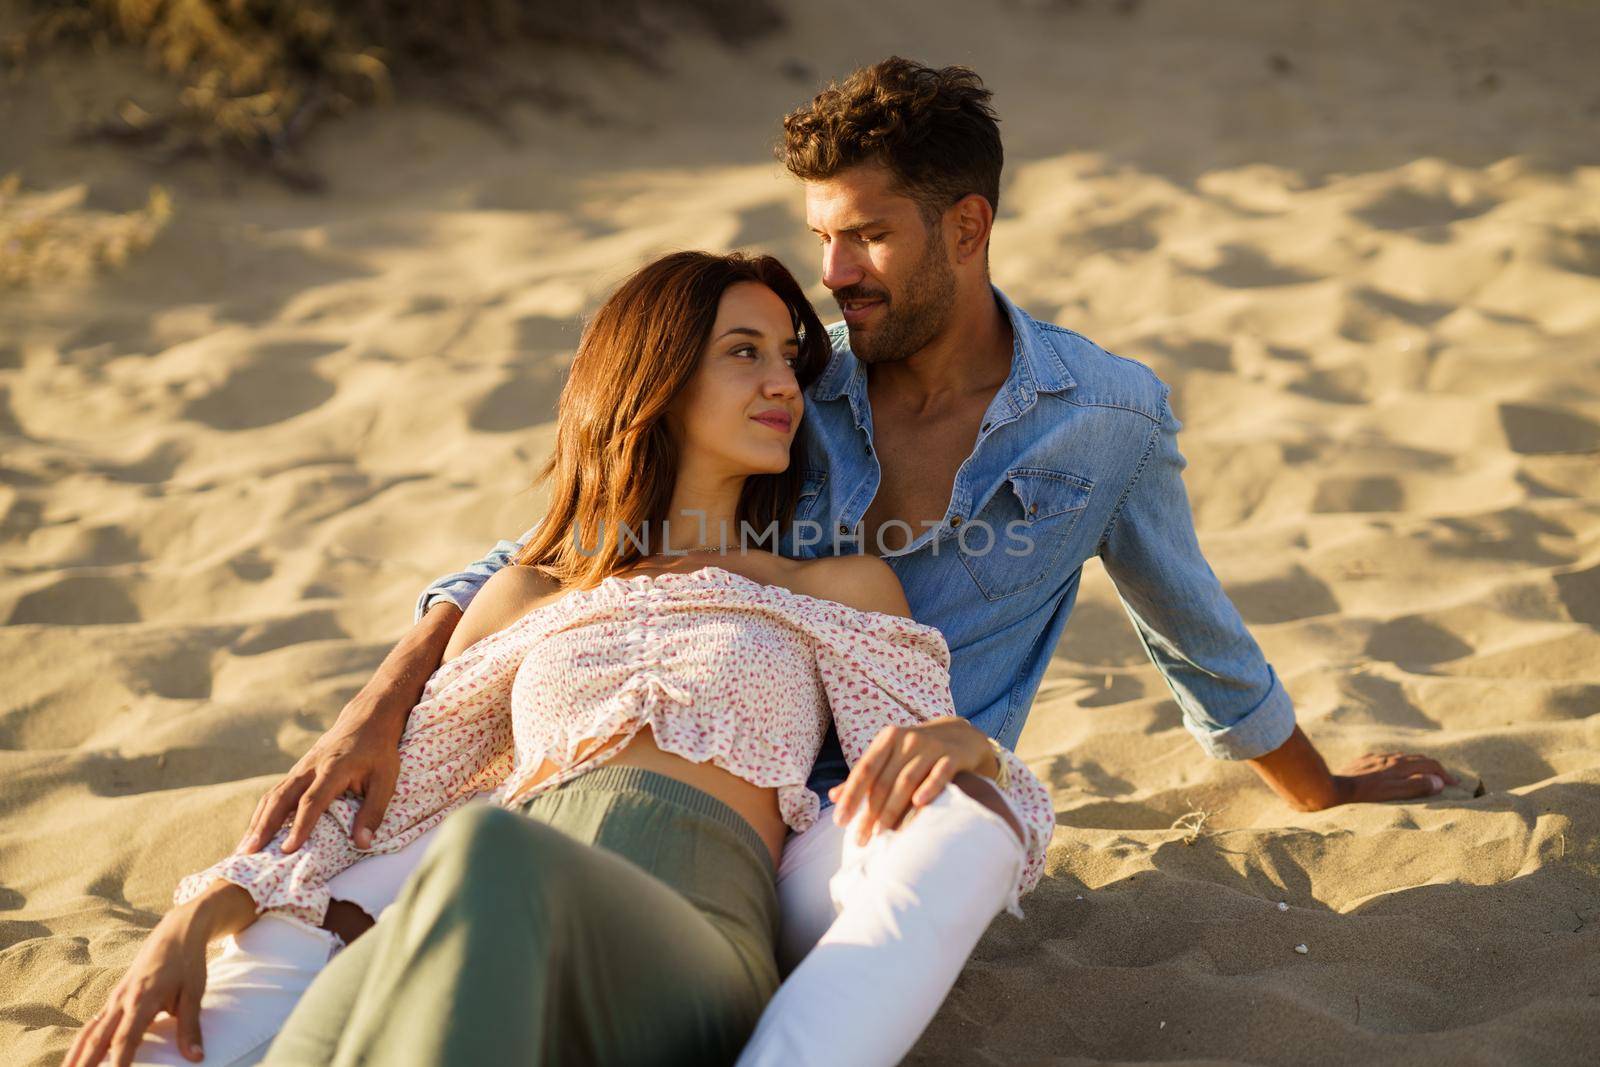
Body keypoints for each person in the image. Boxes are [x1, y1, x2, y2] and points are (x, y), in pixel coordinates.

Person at [77, 56, 1459, 1067]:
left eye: (863, 235)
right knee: (341, 929)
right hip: (612, 801)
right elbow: (576, 547)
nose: (833, 279)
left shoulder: (1103, 419)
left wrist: (1314, 780)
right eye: (819, 242)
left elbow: (1190, 625)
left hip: (848, 819)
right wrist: (379, 699)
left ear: (964, 228)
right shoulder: (807, 397)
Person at [65, 251, 1054, 1067]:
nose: (782, 384)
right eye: (743, 352)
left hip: (686, 942)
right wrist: (195, 917)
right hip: (481, 923)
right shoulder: (532, 595)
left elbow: (926, 763)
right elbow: (386, 810)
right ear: (655, 379)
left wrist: (962, 741)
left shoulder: (827, 588)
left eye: (790, 358)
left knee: (486, 855)